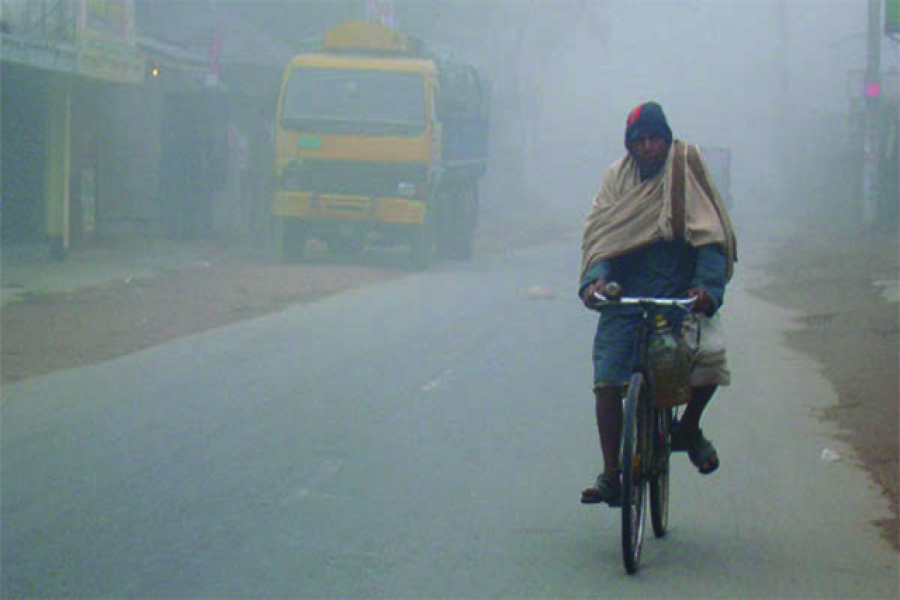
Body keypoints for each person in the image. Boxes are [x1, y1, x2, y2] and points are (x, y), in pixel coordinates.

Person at [578, 101, 737, 506]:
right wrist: (595, 281)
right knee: (607, 381)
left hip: (680, 295)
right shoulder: (616, 178)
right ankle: (611, 474)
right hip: (624, 296)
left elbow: (711, 238)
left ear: (667, 139)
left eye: (655, 139)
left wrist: (706, 290)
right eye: (640, 140)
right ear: (630, 145)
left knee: (710, 357)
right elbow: (600, 238)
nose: (648, 147)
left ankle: (687, 428)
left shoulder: (685, 172)